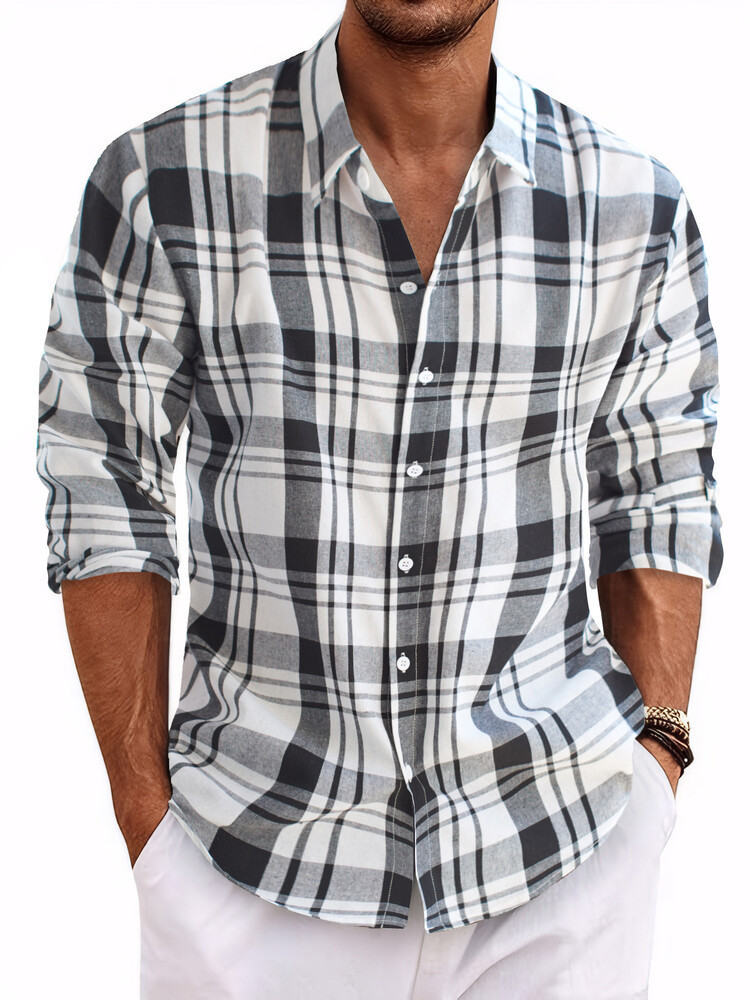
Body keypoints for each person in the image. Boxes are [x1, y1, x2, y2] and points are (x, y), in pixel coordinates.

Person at [35, 2, 723, 997]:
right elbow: (104, 483)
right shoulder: (161, 182)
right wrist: (145, 822)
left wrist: (658, 765)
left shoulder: (634, 205)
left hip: (564, 866)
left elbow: (657, 492)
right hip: (249, 875)